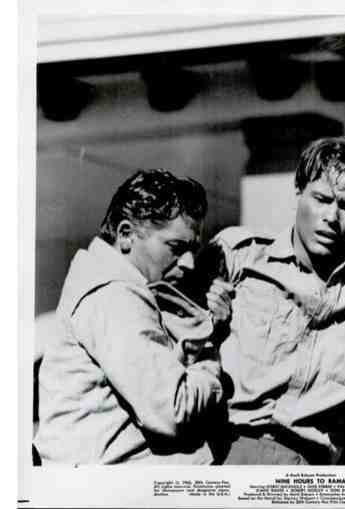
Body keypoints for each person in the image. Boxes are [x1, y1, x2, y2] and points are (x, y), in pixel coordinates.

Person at [196, 137, 345, 465]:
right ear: (298, 191)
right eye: (321, 199)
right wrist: (208, 320)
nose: (331, 217)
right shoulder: (239, 254)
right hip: (220, 452)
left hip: (307, 469)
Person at [34, 169, 231, 465]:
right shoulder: (114, 297)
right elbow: (174, 410)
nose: (188, 263)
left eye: (192, 250)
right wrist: (209, 359)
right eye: (176, 248)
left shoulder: (107, 285)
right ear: (126, 235)